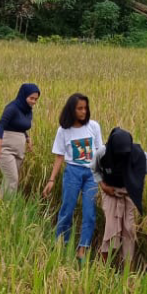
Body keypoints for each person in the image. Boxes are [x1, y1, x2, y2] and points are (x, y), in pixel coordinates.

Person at [92, 127, 147, 267]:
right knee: (112, 228)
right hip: (110, 191)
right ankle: (102, 268)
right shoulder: (102, 153)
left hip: (129, 193)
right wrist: (103, 186)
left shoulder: (137, 155)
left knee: (129, 230)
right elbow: (94, 169)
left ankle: (126, 269)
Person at [42, 93, 102, 259]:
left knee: (89, 212)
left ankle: (83, 248)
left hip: (91, 173)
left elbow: (99, 152)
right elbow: (59, 156)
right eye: (79, 108)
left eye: (85, 108)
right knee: (67, 209)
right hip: (72, 172)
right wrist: (52, 180)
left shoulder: (94, 126)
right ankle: (61, 243)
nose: (83, 112)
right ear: (71, 110)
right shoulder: (63, 131)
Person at [0, 83, 40, 198]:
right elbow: (1, 125)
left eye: (36, 99)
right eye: (31, 98)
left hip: (19, 150)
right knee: (12, 180)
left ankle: (0, 205)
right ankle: (7, 208)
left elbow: (19, 126)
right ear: (24, 96)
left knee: (8, 180)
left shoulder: (28, 110)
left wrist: (27, 138)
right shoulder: (12, 108)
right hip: (6, 149)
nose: (33, 101)